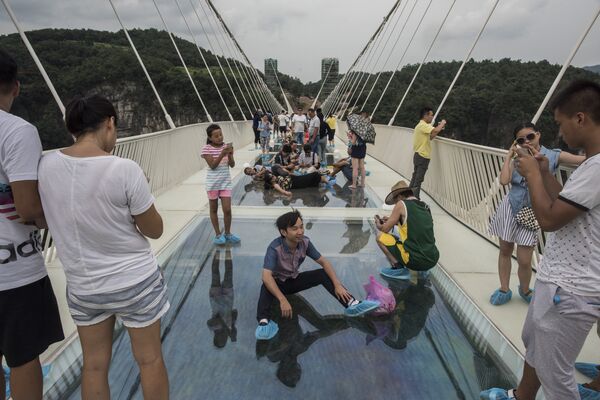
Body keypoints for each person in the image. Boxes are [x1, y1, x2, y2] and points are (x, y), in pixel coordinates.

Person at [38, 94, 169, 400]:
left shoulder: (45, 165)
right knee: (149, 360)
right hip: (135, 281)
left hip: (84, 286)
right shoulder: (124, 169)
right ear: (110, 124)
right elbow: (155, 229)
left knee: (94, 367)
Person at [480, 80, 600, 400]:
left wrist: (532, 174)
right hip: (558, 276)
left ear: (580, 118)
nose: (560, 133)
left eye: (560, 123)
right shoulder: (591, 165)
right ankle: (522, 396)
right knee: (534, 342)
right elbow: (567, 207)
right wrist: (546, 174)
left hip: (573, 286)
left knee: (554, 371)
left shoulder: (597, 167)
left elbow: (547, 219)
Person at [0, 49, 64, 400]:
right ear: (17, 87)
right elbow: (26, 207)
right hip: (13, 270)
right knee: (23, 359)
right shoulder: (17, 131)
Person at [488, 122, 584, 306]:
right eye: (521, 139)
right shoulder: (518, 158)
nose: (527, 142)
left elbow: (582, 160)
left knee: (525, 259)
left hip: (533, 212)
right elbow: (504, 180)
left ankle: (524, 290)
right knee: (505, 250)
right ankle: (504, 288)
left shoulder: (553, 155)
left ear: (538, 135)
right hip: (510, 207)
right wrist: (509, 157)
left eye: (530, 136)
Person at [254, 210, 380, 340]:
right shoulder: (274, 248)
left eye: (301, 226)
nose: (300, 231)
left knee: (322, 274)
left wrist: (337, 285)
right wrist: (282, 299)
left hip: (293, 281)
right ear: (283, 232)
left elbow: (324, 262)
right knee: (266, 285)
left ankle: (351, 304)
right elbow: (266, 276)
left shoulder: (305, 243)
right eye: (294, 228)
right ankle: (264, 321)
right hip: (276, 284)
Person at [375, 181, 439, 280]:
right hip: (432, 259)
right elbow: (416, 225)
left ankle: (399, 269)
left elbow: (385, 229)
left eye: (395, 200)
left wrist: (379, 225)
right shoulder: (425, 206)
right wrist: (394, 221)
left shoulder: (401, 204)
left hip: (414, 260)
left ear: (400, 196)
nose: (395, 203)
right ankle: (422, 271)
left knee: (380, 237)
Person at [201, 124, 241, 245]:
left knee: (227, 210)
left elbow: (232, 165)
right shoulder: (206, 149)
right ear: (210, 138)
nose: (219, 137)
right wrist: (222, 154)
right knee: (213, 209)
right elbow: (212, 166)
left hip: (225, 182)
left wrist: (230, 155)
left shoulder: (225, 147)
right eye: (216, 136)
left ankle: (228, 234)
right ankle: (218, 235)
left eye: (221, 134)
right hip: (213, 183)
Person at [410, 107, 446, 199]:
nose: (432, 117)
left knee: (415, 177)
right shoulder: (423, 125)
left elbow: (431, 136)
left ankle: (409, 196)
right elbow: (435, 130)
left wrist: (439, 128)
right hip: (422, 156)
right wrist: (442, 123)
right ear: (425, 115)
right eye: (431, 115)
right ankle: (415, 199)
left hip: (419, 155)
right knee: (418, 179)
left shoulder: (421, 126)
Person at [207, 249, 237, 349]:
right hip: (227, 296)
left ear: (215, 338)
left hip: (215, 296)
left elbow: (218, 321)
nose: (222, 338)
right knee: (229, 270)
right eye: (223, 341)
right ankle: (227, 250)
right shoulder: (229, 328)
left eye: (220, 340)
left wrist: (228, 328)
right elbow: (235, 312)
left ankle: (218, 250)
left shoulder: (212, 327)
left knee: (215, 270)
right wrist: (232, 327)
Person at [262, 170, 334, 197]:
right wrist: (286, 193)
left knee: (313, 178)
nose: (273, 176)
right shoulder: (274, 184)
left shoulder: (276, 180)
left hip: (295, 180)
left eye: (272, 175)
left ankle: (327, 183)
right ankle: (328, 183)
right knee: (315, 174)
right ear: (270, 181)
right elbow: (280, 189)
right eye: (271, 177)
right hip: (295, 183)